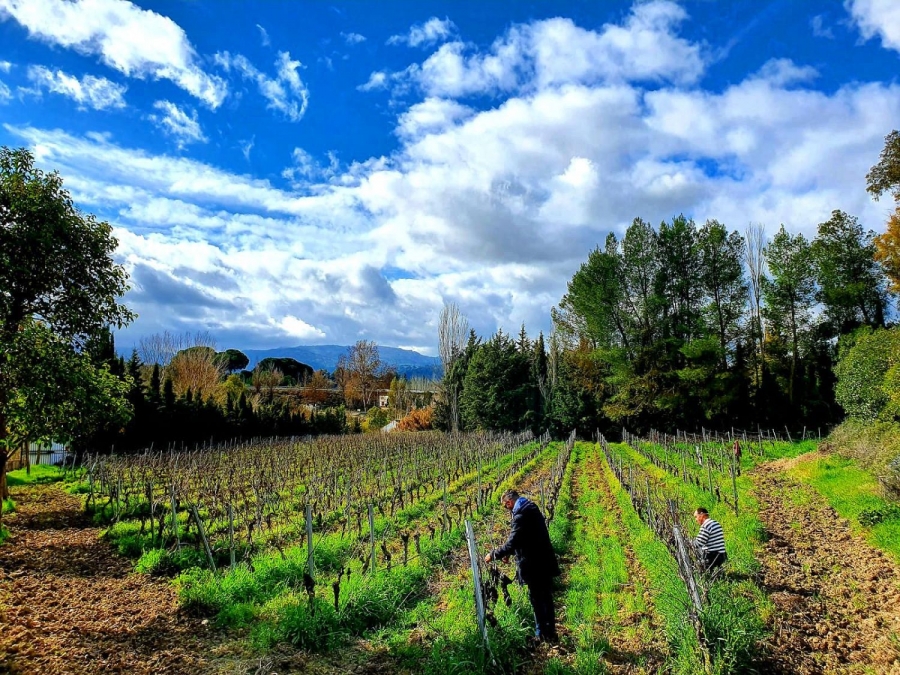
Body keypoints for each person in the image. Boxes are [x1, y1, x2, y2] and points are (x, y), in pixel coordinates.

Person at [484, 489, 561, 643]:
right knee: (546, 597)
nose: (508, 510)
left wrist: (493, 555)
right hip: (543, 560)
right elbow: (526, 538)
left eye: (506, 507)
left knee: (537, 599)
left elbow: (514, 540)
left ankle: (541, 635)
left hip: (535, 565)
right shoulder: (530, 507)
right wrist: (510, 552)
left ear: (509, 502)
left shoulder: (521, 515)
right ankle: (550, 633)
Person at [693, 507, 727, 572]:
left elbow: (699, 543)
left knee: (695, 564)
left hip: (712, 557)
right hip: (722, 555)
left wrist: (688, 542)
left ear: (701, 515)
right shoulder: (716, 523)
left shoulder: (706, 525)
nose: (696, 519)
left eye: (696, 517)